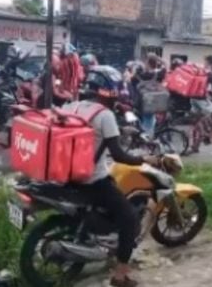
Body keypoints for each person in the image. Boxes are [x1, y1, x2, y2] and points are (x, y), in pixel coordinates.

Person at [63, 68, 158, 287]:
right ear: (108, 90)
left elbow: (95, 136)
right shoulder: (104, 115)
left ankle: (101, 237)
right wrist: (145, 160)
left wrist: (121, 130)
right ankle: (120, 275)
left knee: (113, 194)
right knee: (129, 219)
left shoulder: (73, 106)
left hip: (68, 175)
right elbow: (118, 155)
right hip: (92, 181)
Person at [131, 53, 167, 136]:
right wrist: (158, 58)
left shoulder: (142, 75)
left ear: (147, 63)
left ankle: (147, 140)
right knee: (150, 120)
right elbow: (166, 65)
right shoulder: (158, 74)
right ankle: (149, 136)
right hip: (154, 102)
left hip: (143, 102)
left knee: (147, 122)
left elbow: (132, 80)